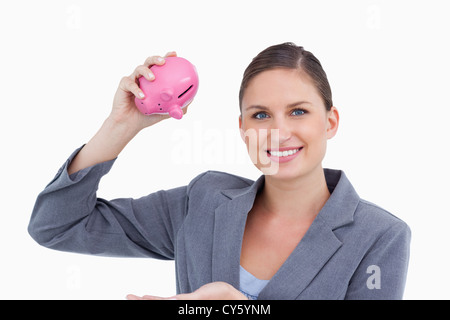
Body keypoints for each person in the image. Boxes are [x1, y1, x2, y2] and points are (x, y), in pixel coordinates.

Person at [28, 43, 411, 300]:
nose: (278, 132)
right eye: (260, 115)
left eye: (298, 111)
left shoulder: (380, 237)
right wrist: (121, 125)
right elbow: (56, 226)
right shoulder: (205, 201)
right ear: (243, 130)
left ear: (330, 122)